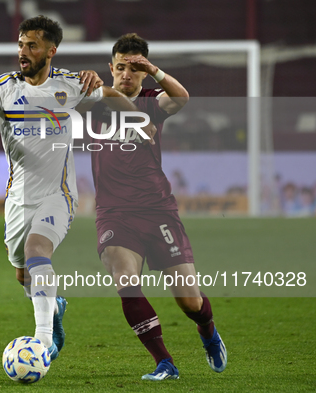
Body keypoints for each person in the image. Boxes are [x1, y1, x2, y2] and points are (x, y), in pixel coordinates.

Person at [0, 17, 154, 361]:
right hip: (18, 198)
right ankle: (55, 307)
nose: (23, 52)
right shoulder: (2, 88)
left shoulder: (71, 85)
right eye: (20, 45)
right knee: (23, 275)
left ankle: (42, 342)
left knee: (37, 251)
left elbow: (112, 97)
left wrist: (132, 117)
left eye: (31, 45)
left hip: (58, 194)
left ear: (51, 50)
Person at [87, 33, 227, 380]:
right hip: (114, 212)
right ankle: (165, 362)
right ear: (111, 67)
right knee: (124, 279)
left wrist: (156, 71)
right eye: (120, 68)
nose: (126, 75)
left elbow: (181, 97)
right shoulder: (96, 102)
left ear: (144, 73)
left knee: (190, 301)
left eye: (135, 70)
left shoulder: (153, 101)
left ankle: (208, 330)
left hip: (157, 210)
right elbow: (67, 95)